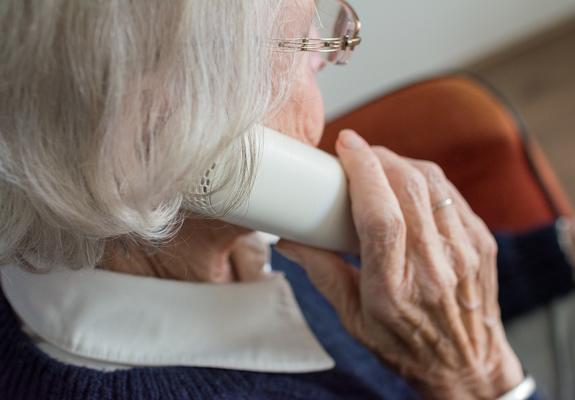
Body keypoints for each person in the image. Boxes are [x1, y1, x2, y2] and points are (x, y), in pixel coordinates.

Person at [0, 0, 569, 398]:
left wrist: (561, 249)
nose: (329, 56)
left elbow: (405, 290)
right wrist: (481, 378)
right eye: (305, 40)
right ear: (161, 140)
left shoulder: (220, 231)